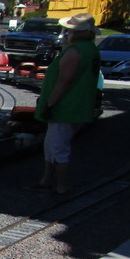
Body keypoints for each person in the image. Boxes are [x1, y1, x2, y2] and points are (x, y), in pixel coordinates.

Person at [25, 13, 101, 195]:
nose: (66, 32)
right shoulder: (90, 49)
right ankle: (47, 180)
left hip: (64, 107)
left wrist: (49, 104)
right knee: (52, 144)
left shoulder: (74, 51)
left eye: (69, 29)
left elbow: (64, 81)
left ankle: (61, 186)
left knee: (58, 147)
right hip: (77, 105)